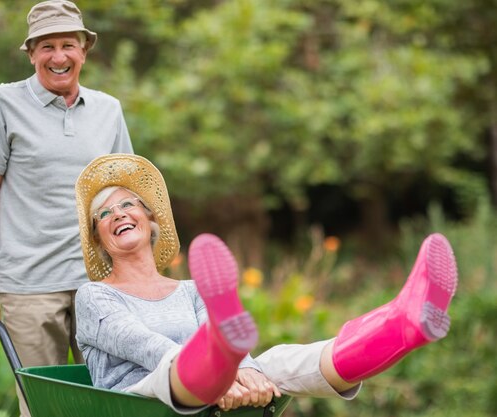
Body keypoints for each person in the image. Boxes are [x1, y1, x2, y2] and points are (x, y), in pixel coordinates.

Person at [73, 154, 458, 414]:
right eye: (104, 214)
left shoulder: (190, 290)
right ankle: (217, 358)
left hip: (209, 383)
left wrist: (250, 370)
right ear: (99, 237)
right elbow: (145, 346)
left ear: (148, 217)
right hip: (139, 399)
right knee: (169, 370)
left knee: (282, 361)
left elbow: (231, 345)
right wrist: (223, 378)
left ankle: (401, 323)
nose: (117, 215)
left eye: (127, 205)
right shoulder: (94, 296)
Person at [0, 1, 133, 415]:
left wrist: (139, 273)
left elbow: (125, 195)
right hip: (31, 285)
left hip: (102, 284)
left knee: (116, 400)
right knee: (46, 409)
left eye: (68, 45)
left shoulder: (108, 109)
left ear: (84, 50)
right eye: (47, 46)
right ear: (32, 53)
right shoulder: (2, 104)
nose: (59, 57)